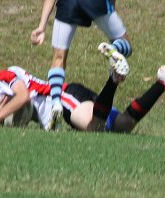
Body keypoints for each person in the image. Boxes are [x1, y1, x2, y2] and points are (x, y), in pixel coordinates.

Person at [0, 44, 165, 132]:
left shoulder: (3, 76)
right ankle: (163, 82)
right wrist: (0, 116)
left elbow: (23, 96)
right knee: (123, 125)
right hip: (72, 99)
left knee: (95, 129)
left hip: (62, 98)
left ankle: (114, 77)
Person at [31, 0, 132, 130]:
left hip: (68, 4)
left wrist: (42, 25)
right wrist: (110, 7)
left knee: (58, 58)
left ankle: (55, 103)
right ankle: (113, 48)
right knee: (126, 44)